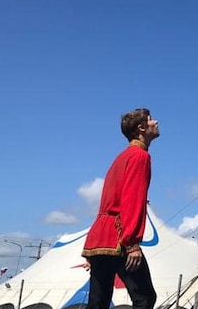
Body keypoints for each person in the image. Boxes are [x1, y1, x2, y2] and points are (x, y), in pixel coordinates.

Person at [82, 108, 161, 309]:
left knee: (98, 301)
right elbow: (132, 199)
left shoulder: (121, 157)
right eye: (151, 120)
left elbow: (108, 200)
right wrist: (132, 243)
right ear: (141, 127)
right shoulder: (139, 156)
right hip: (120, 236)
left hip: (100, 238)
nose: (156, 122)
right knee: (144, 297)